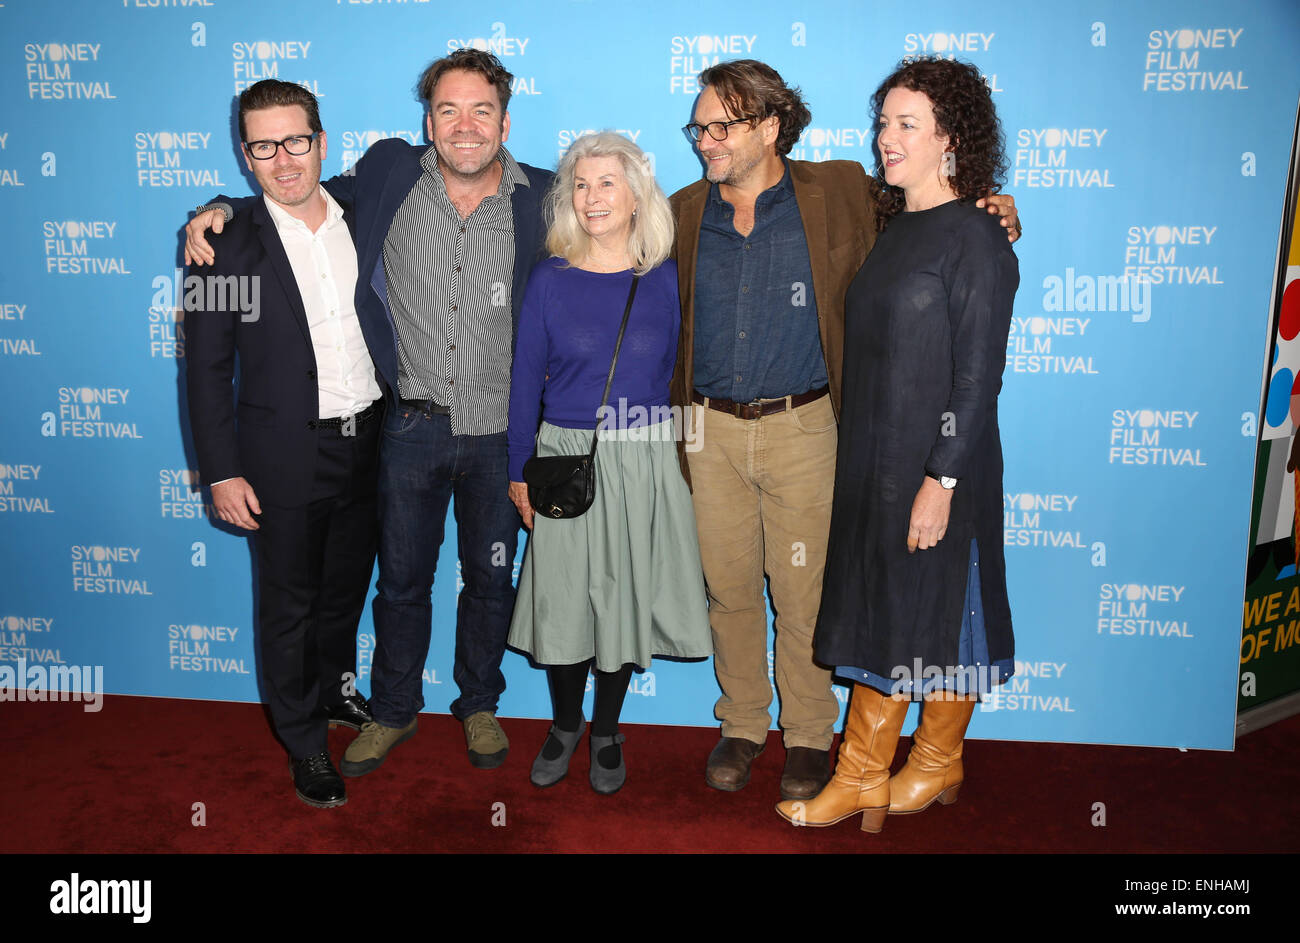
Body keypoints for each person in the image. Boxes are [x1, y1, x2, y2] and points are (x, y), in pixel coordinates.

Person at [186, 49, 552, 774]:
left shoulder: (541, 197)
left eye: (481, 109)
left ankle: (477, 702)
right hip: (395, 432)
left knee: (480, 580)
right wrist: (214, 210)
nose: (285, 158)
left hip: (468, 436)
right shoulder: (380, 179)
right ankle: (370, 719)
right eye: (448, 110)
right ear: (428, 122)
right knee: (394, 585)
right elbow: (203, 366)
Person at [667, 59, 1021, 801]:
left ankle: (806, 734)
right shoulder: (679, 211)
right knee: (728, 590)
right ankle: (741, 723)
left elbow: (942, 215)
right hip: (712, 431)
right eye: (698, 126)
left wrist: (997, 210)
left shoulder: (842, 193)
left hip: (806, 425)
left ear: (770, 128)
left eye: (721, 126)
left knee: (803, 593)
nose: (705, 140)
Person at [776, 56, 1019, 833]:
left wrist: (940, 480)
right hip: (874, 465)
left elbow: (979, 376)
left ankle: (899, 767)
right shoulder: (894, 225)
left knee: (945, 611)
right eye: (883, 121)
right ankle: (878, 774)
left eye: (906, 124)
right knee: (899, 611)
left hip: (940, 465)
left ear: (951, 138)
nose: (887, 137)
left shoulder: (977, 235)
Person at [186, 79, 380, 808]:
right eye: (264, 146)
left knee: (342, 594)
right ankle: (304, 742)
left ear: (321, 143)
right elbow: (204, 368)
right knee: (289, 605)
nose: (283, 159)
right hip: (278, 457)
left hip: (371, 444)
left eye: (295, 141)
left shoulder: (363, 211)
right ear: (246, 155)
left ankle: (332, 694)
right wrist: (221, 471)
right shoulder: (222, 245)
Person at [506, 132, 712, 794]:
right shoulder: (549, 277)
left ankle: (606, 729)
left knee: (619, 600)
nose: (592, 197)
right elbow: (521, 382)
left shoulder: (668, 277)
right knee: (564, 602)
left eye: (607, 183)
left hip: (645, 456)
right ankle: (566, 723)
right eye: (581, 183)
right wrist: (518, 470)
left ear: (635, 195)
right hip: (565, 456)